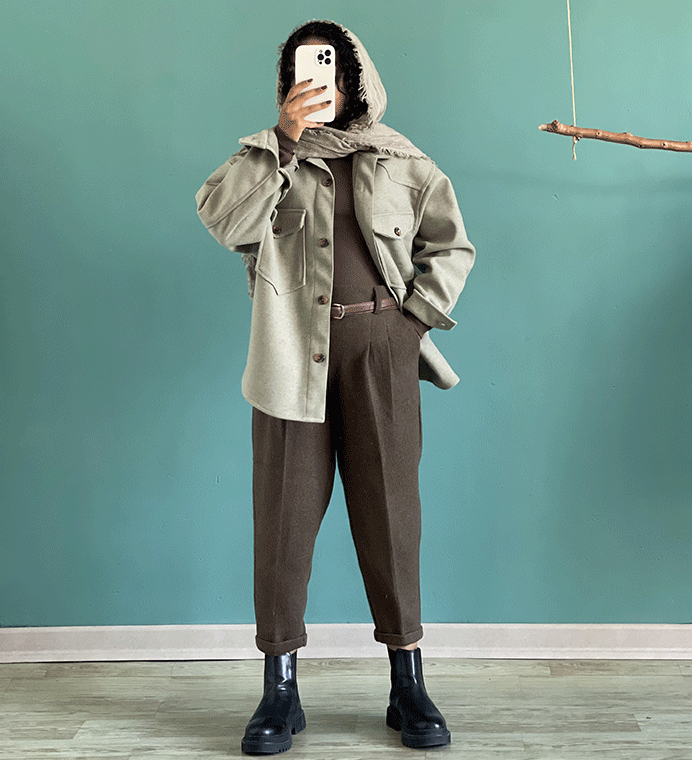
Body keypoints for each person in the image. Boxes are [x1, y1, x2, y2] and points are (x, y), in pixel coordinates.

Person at [195, 19, 475, 754]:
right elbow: (223, 220)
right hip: (290, 356)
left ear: (356, 78)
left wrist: (412, 324)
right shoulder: (266, 157)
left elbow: (451, 244)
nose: (318, 79)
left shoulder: (402, 160)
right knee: (282, 522)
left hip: (381, 351)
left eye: (332, 67)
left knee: (392, 517)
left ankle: (408, 685)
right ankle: (279, 692)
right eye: (303, 66)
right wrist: (283, 141)